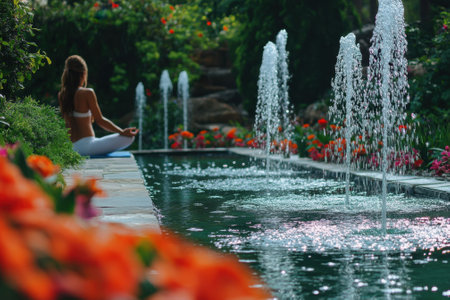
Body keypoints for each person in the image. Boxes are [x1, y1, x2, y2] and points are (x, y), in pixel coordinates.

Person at [58, 55, 138, 156]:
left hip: (72, 147)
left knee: (99, 141)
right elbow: (100, 120)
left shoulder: (62, 94)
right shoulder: (87, 93)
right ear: (83, 74)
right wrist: (122, 132)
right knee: (129, 137)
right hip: (88, 147)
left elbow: (66, 125)